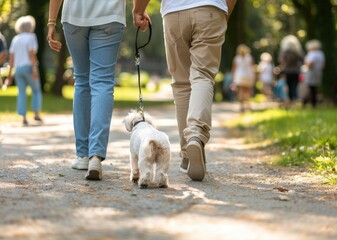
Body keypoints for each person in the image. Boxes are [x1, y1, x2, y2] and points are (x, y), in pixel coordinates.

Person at [133, 0, 237, 181]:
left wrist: (138, 10)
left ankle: (187, 155)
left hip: (175, 12)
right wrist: (223, 11)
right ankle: (196, 134)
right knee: (203, 76)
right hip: (211, 10)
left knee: (181, 83)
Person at [47, 0, 126, 180]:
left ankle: (82, 155)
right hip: (110, 13)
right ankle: (95, 156)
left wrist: (51, 22)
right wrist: (138, 11)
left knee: (82, 80)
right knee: (103, 82)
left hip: (75, 14)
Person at [6, 15, 43, 126]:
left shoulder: (15, 39)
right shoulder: (31, 37)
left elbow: (11, 58)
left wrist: (9, 74)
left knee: (21, 92)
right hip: (29, 67)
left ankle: (23, 117)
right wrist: (35, 69)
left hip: (18, 69)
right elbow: (31, 54)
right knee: (36, 91)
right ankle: (36, 115)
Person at [278, 35, 303, 104]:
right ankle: (295, 99)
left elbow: (281, 61)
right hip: (296, 71)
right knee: (294, 86)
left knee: (289, 86)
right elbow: (302, 59)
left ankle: (291, 99)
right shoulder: (297, 53)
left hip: (288, 71)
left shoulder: (284, 53)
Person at [231, 44, 255, 112]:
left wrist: (233, 79)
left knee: (240, 91)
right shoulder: (249, 57)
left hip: (239, 76)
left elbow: (234, 69)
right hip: (248, 75)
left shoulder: (236, 58)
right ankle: (248, 105)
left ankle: (242, 106)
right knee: (247, 92)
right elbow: (252, 67)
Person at [302, 39, 325, 107]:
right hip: (318, 72)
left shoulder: (312, 54)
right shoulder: (321, 53)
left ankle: (309, 102)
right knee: (314, 88)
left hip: (311, 73)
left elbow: (310, 63)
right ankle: (311, 103)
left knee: (311, 88)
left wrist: (306, 63)